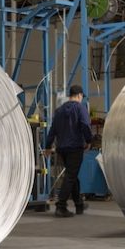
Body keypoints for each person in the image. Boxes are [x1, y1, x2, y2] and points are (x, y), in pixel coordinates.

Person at [45, 85, 92, 217]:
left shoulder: (59, 110)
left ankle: (79, 205)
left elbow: (52, 129)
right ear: (79, 95)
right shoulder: (80, 108)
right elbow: (85, 125)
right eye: (82, 97)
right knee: (70, 176)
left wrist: (48, 146)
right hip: (75, 147)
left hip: (62, 149)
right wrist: (89, 141)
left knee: (72, 175)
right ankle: (61, 207)